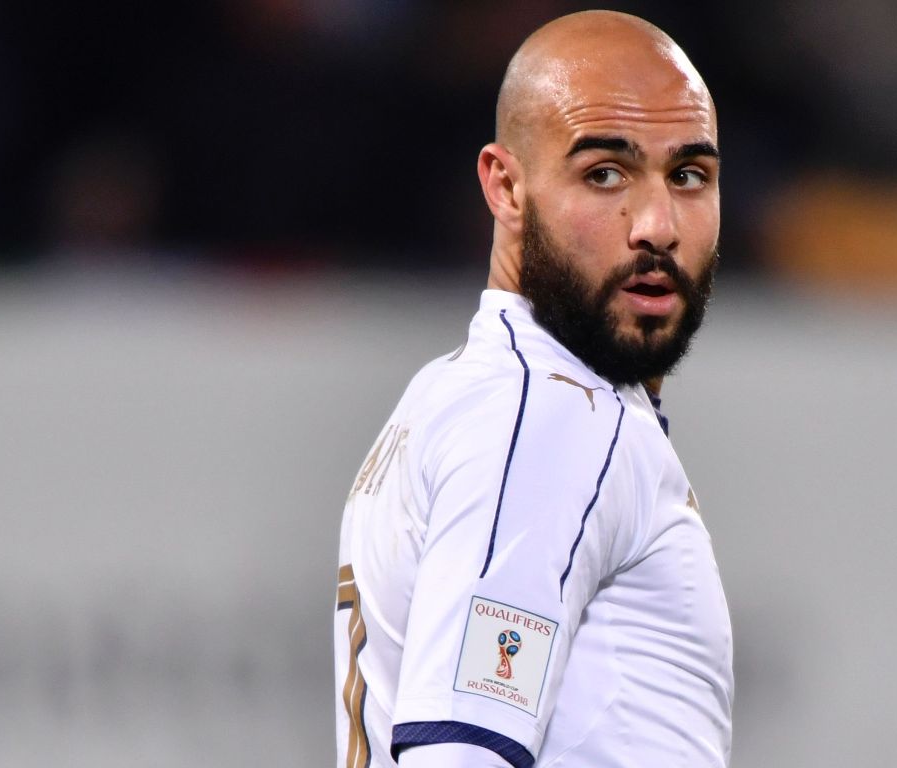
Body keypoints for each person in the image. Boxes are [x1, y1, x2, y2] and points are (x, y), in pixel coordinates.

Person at [335, 10, 732, 767]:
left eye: (689, 176)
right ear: (506, 187)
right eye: (604, 173)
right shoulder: (549, 414)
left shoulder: (463, 392)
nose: (656, 224)